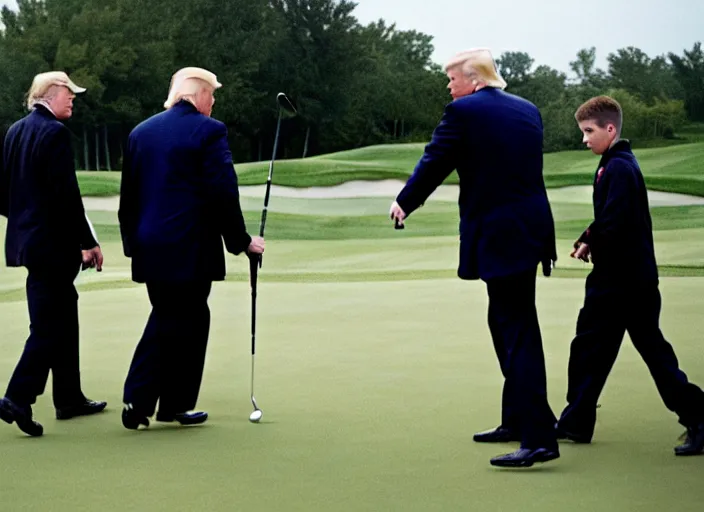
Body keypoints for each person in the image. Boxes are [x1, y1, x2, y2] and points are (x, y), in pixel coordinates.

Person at [389, 48, 559, 468]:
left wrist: (405, 201)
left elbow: (436, 160)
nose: (448, 88)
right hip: (530, 230)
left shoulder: (463, 113)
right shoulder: (528, 109)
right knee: (506, 323)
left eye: (451, 80)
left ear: (475, 79)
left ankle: (538, 438)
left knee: (516, 330)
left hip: (501, 233)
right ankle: (517, 419)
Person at [555, 96, 704, 456]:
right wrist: (589, 239)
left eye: (589, 131)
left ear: (611, 129)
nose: (584, 139)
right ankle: (576, 421)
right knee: (594, 349)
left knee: (635, 352)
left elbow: (616, 222)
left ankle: (700, 418)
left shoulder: (619, 167)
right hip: (626, 280)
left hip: (622, 283)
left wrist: (592, 239)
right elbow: (610, 217)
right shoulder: (613, 163)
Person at [118, 67, 265, 430]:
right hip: (189, 246)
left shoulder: (141, 132)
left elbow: (129, 198)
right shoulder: (209, 131)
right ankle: (138, 399)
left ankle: (175, 404)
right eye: (211, 95)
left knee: (188, 317)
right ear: (197, 94)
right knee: (175, 316)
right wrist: (243, 242)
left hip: (150, 245)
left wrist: (132, 243)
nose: (213, 103)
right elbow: (222, 192)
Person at [0, 71, 106, 437]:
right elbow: (66, 196)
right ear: (48, 94)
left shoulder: (16, 131)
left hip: (28, 243)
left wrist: (27, 220)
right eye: (69, 93)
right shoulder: (55, 133)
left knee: (61, 312)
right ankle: (17, 396)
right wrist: (87, 242)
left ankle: (69, 396)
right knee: (50, 325)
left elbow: (4, 196)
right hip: (54, 246)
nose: (73, 99)